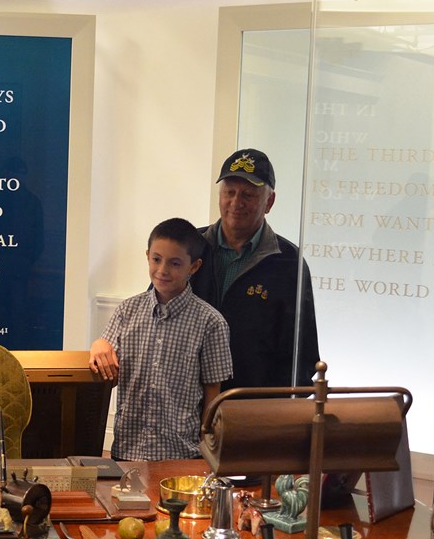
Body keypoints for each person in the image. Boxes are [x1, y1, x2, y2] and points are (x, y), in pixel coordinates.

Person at [90, 218, 233, 461]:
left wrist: (206, 442)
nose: (162, 270)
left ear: (194, 267)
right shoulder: (127, 311)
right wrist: (98, 345)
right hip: (127, 450)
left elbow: (213, 392)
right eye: (156, 259)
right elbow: (105, 361)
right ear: (147, 256)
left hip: (180, 454)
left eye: (175, 263)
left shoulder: (211, 322)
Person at [192, 148, 320, 389]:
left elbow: (302, 357)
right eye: (229, 192)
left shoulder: (290, 263)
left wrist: (274, 416)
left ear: (269, 202)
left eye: (248, 195)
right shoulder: (188, 248)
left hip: (250, 411)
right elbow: (152, 311)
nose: (235, 202)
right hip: (182, 408)